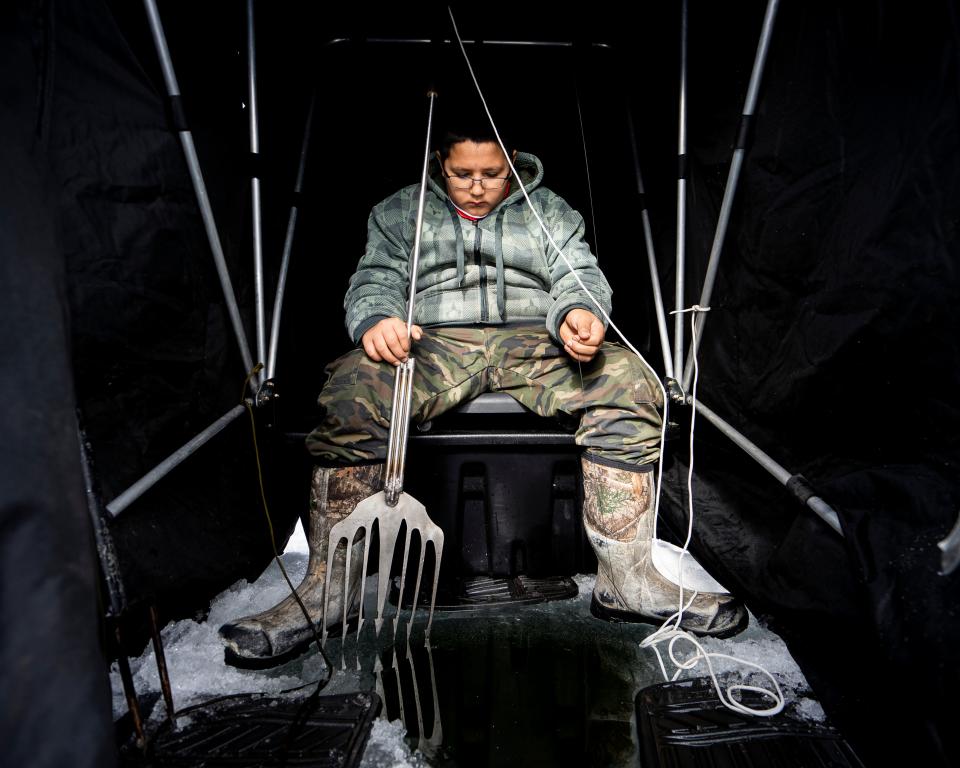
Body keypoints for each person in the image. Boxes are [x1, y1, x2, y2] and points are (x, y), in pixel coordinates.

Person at [219, 116, 746, 662]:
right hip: (434, 340)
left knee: (629, 383)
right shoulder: (402, 210)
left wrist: (580, 312)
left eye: (491, 174)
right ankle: (330, 591)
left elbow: (580, 274)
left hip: (534, 338)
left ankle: (627, 582)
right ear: (441, 164)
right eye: (462, 173)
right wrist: (377, 318)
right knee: (353, 392)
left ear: (513, 162)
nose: (476, 186)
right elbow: (375, 278)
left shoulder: (549, 210)